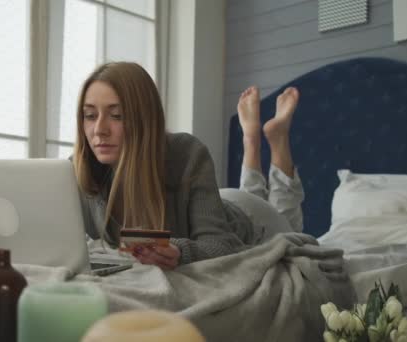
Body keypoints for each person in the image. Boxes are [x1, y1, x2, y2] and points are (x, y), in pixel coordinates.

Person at [72, 62, 304, 270]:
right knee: (251, 191)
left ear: (145, 119)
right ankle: (251, 139)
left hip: (252, 221)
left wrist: (180, 252)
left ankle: (270, 138)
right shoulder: (75, 169)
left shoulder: (185, 152)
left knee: (287, 219)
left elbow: (219, 244)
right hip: (217, 203)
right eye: (90, 116)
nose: (99, 129)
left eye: (117, 115)